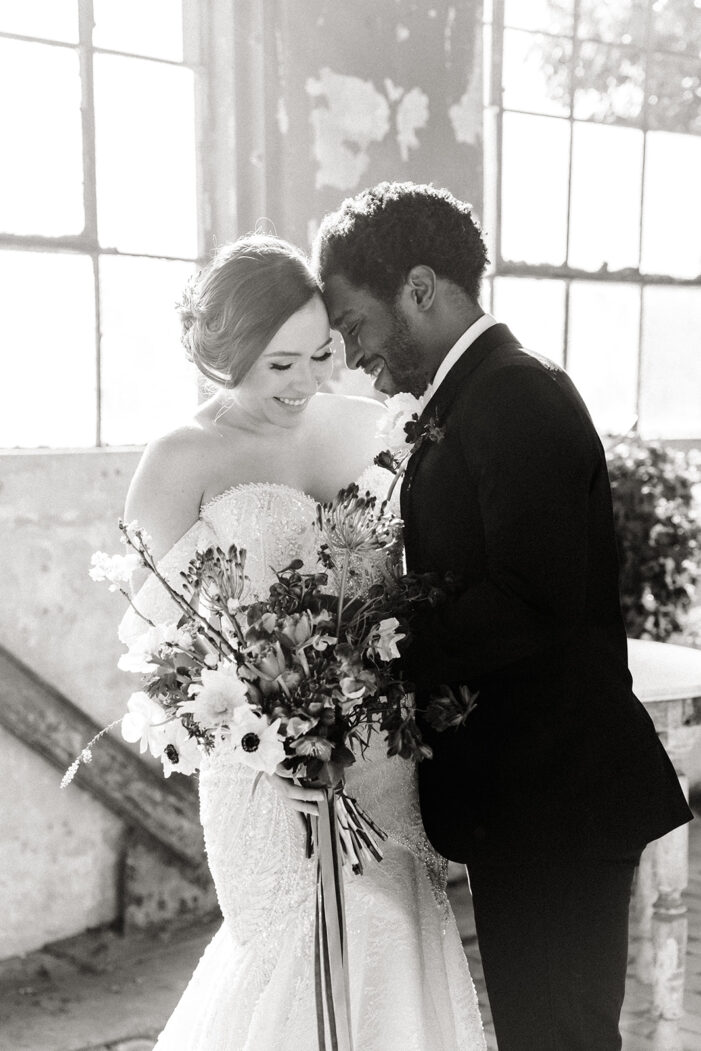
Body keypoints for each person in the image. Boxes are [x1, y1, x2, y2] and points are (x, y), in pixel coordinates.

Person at [313, 181, 693, 1051]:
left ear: (418, 288)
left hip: (559, 795)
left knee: (559, 1034)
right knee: (539, 1031)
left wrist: (382, 649)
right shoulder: (471, 394)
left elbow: (533, 602)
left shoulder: (515, 395)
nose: (351, 353)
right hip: (526, 795)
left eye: (355, 323)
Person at [121, 234, 486, 1050]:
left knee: (393, 933)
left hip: (375, 750)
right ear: (225, 353)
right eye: (277, 364)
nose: (305, 383)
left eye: (318, 354)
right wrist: (272, 740)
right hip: (261, 772)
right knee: (296, 947)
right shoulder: (180, 459)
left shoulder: (368, 425)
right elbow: (163, 658)